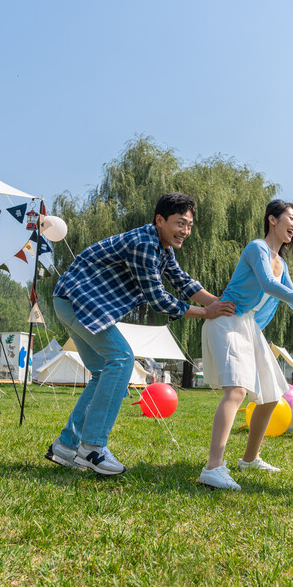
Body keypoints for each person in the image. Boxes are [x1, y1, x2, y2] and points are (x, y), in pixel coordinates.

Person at [46, 193, 235, 475]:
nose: (185, 231)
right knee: (122, 360)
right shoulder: (144, 244)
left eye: (190, 225)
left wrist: (219, 305)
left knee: (102, 371)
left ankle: (67, 444)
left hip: (71, 301)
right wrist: (205, 313)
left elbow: (182, 282)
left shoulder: (163, 249)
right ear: (160, 220)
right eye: (180, 223)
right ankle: (92, 448)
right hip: (79, 301)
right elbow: (158, 299)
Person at [198, 199, 293, 490]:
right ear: (272, 220)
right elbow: (269, 286)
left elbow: (291, 299)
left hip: (248, 327)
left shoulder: (281, 262)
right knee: (236, 391)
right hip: (228, 319)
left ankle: (249, 459)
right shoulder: (256, 247)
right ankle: (213, 467)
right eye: (290, 217)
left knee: (272, 395)